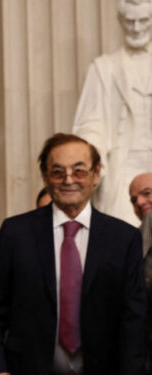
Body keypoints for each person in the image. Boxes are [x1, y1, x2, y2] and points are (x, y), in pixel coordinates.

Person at [0, 133, 146, 375]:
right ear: (45, 177)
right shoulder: (16, 233)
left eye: (79, 171)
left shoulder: (124, 238)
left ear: (96, 174)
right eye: (58, 172)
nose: (68, 180)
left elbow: (134, 319)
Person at [73, 0, 152, 227]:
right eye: (130, 22)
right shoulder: (104, 68)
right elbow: (90, 122)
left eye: (143, 21)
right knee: (120, 230)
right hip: (123, 163)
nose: (136, 29)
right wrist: (92, 159)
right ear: (120, 21)